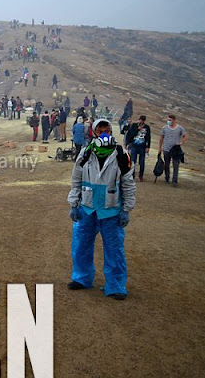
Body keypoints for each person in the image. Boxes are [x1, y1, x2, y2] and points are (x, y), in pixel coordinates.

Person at [67, 118, 136, 300]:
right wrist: (74, 204)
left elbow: (128, 184)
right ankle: (81, 278)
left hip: (111, 211)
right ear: (94, 131)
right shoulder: (85, 153)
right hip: (87, 209)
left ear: (111, 131)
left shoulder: (122, 155)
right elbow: (76, 180)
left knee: (114, 249)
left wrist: (126, 209)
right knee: (81, 245)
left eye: (106, 128)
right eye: (100, 128)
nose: (103, 131)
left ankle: (115, 285)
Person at [158, 114, 187, 186]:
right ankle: (167, 177)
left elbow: (185, 136)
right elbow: (161, 138)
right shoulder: (164, 128)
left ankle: (174, 180)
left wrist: (181, 142)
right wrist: (160, 148)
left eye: (170, 120)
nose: (168, 121)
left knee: (176, 165)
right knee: (167, 164)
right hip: (166, 148)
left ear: (174, 120)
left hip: (175, 150)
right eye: (168, 120)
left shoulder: (180, 128)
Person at [124, 115, 151, 182]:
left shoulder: (147, 127)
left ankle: (141, 175)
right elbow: (131, 134)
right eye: (140, 120)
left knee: (142, 162)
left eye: (142, 120)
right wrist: (137, 129)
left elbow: (148, 137)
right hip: (134, 146)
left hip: (142, 147)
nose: (141, 121)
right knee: (133, 161)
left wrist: (148, 147)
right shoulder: (134, 125)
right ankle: (132, 175)